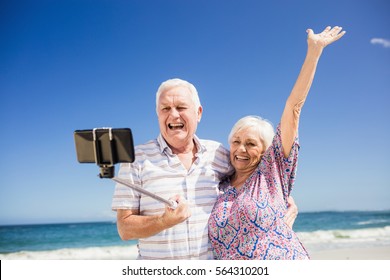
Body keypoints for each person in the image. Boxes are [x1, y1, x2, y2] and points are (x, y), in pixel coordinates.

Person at [111, 78, 298, 260]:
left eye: (181, 107)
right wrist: (163, 221)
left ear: (198, 113)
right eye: (165, 108)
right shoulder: (136, 159)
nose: (173, 114)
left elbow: (250, 175)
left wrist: (282, 198)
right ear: (158, 114)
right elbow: (124, 228)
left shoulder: (218, 154)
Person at [208, 26, 346, 260]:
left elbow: (294, 107)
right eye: (236, 141)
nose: (241, 149)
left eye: (251, 144)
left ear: (265, 151)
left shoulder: (272, 173)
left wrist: (314, 53)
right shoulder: (219, 186)